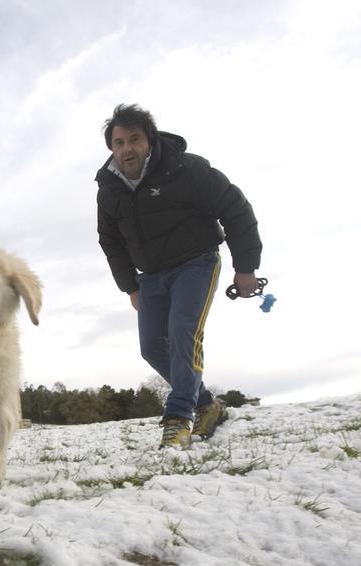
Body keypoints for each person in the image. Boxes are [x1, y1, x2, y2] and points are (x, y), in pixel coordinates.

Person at [95, 104, 262, 449]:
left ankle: (178, 419)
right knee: (152, 347)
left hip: (196, 262)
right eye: (118, 142)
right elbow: (110, 241)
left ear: (149, 140)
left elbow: (235, 207)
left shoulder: (185, 168)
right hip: (151, 276)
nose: (126, 148)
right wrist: (130, 286)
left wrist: (245, 268)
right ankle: (208, 405)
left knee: (182, 330)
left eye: (134, 139)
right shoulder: (109, 188)